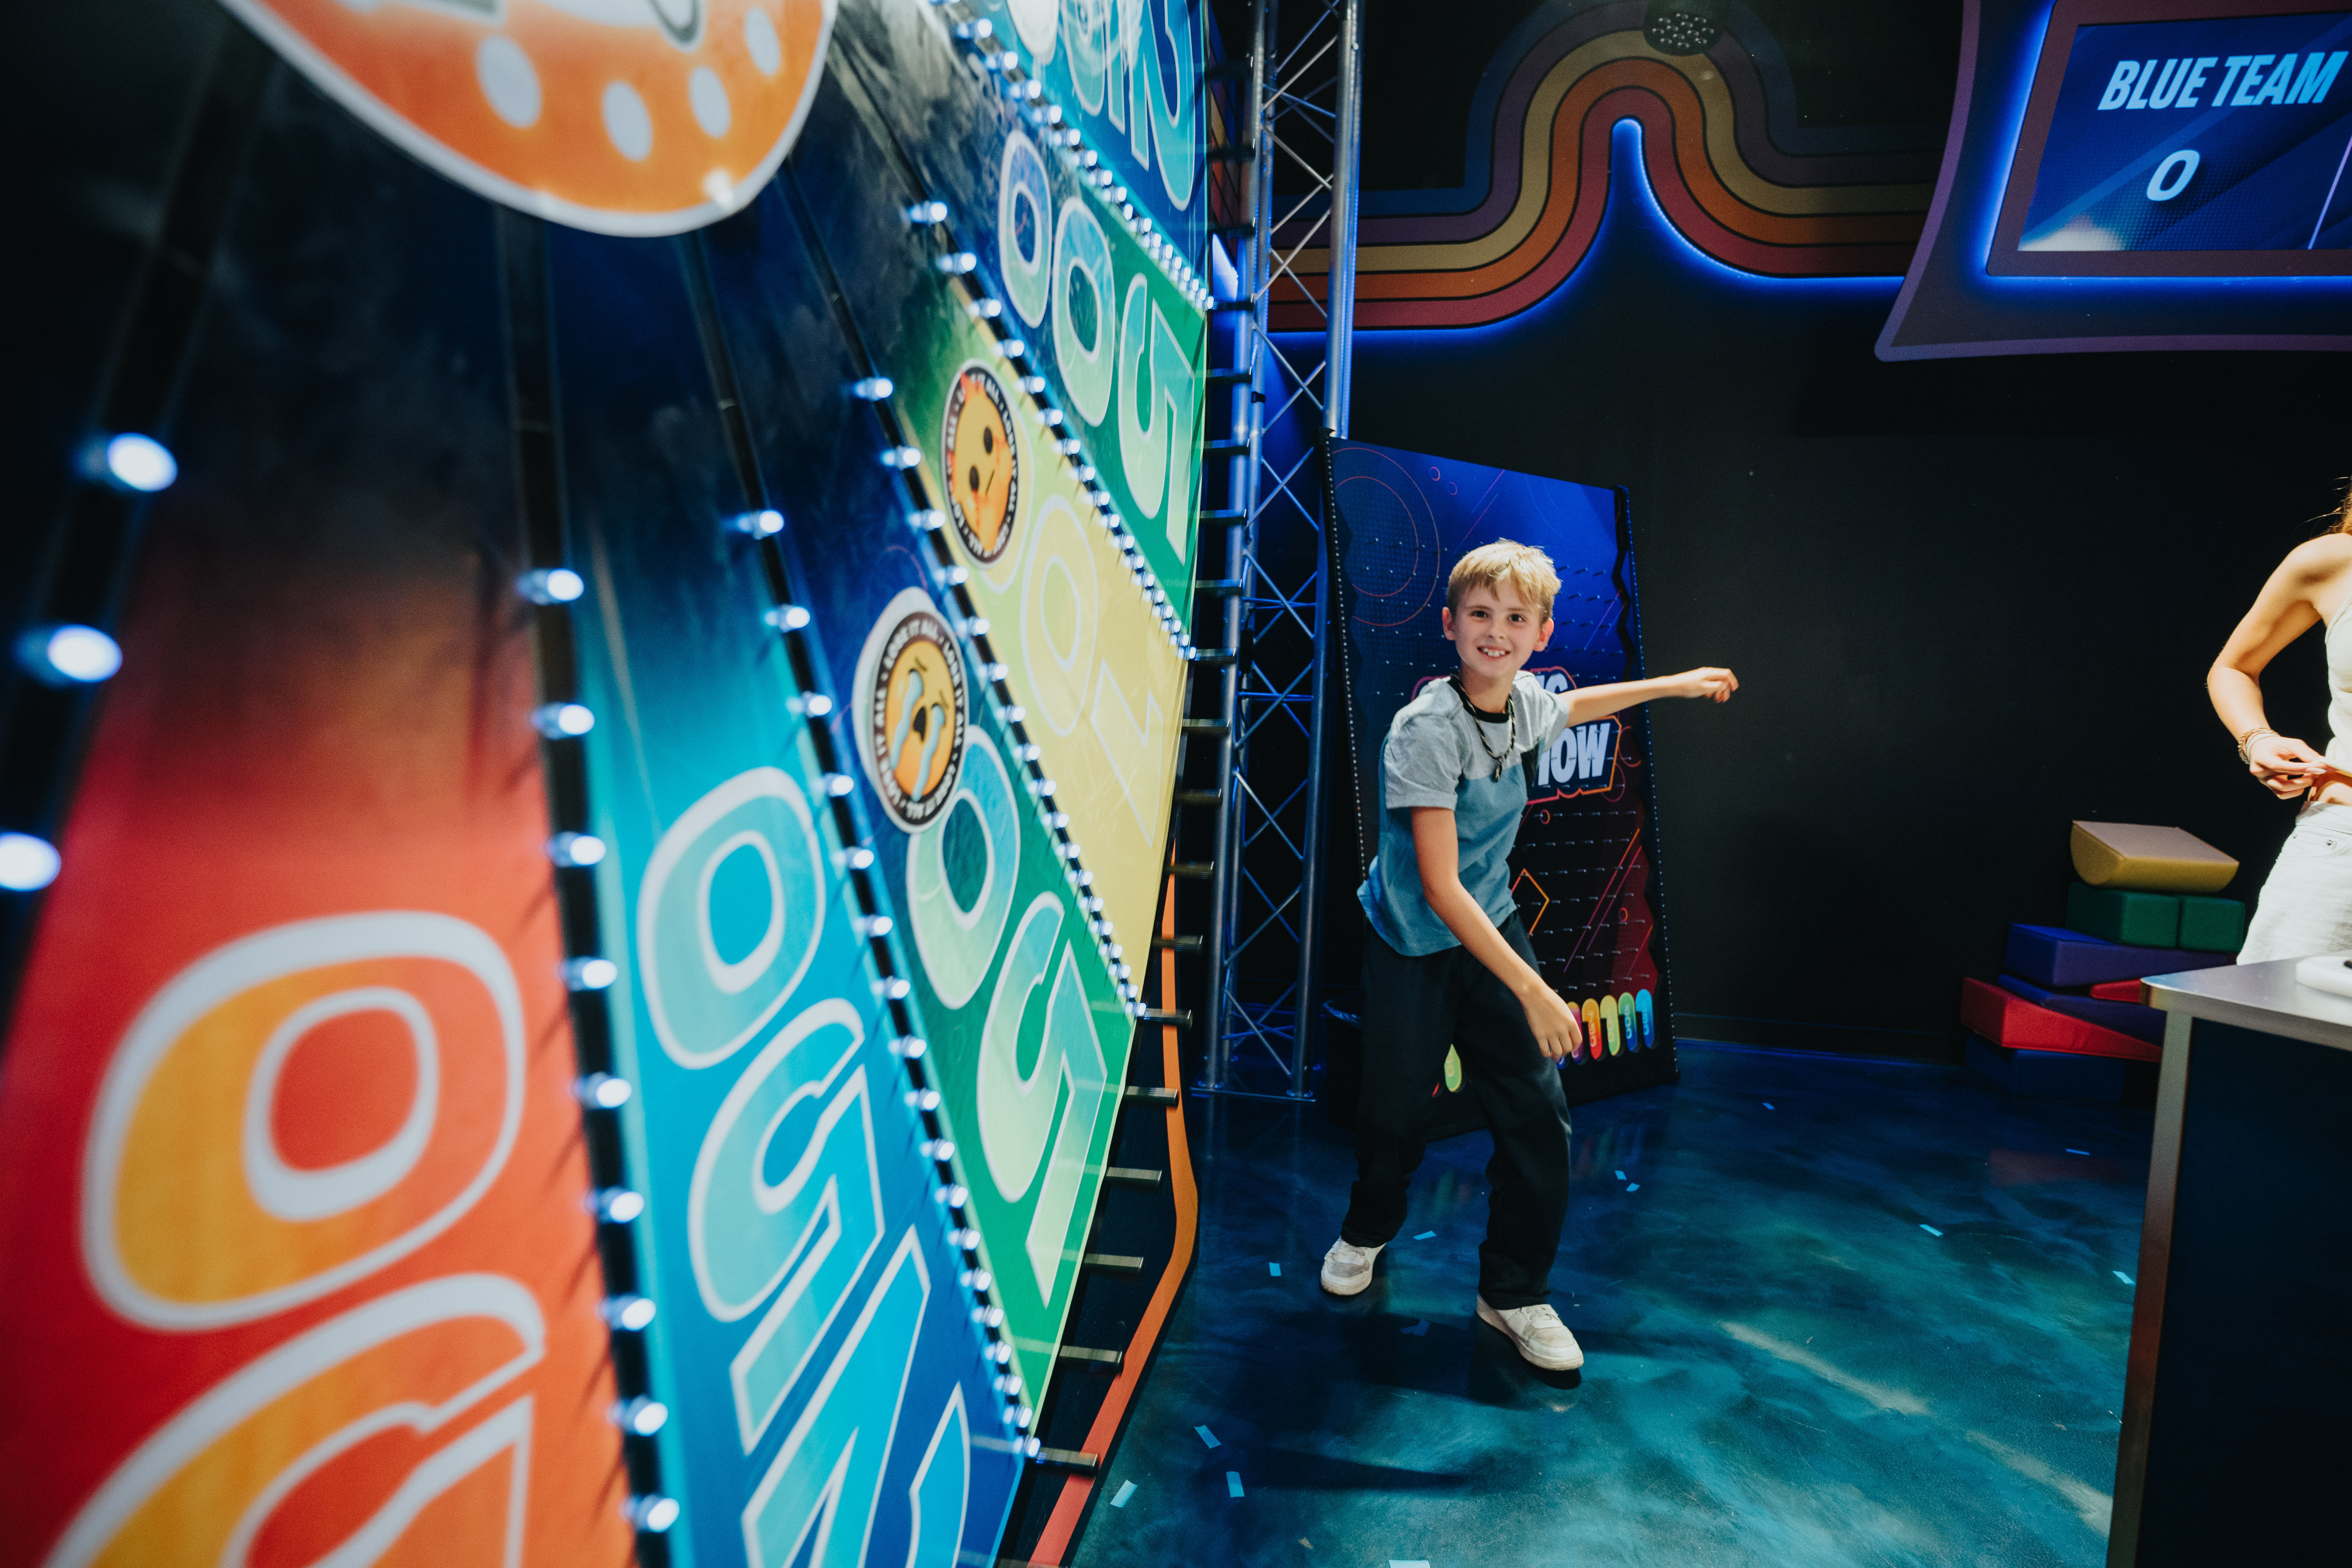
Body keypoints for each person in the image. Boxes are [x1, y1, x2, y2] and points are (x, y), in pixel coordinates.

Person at [1321, 539, 1737, 1370]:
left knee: (1538, 1116)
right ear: (1450, 624)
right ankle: (1367, 1229)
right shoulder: (1425, 732)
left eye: (1516, 618)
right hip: (1411, 936)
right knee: (1395, 1115)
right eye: (1481, 615)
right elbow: (1440, 890)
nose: (1497, 631)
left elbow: (1580, 707)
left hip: (1491, 925)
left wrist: (1677, 685)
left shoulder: (1524, 705)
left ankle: (1513, 1292)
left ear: (1542, 634)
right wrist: (1538, 993)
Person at [2208, 489, 2352, 964]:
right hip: (2342, 846)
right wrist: (2258, 740)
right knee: (2274, 1027)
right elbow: (2234, 668)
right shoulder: (2333, 561)